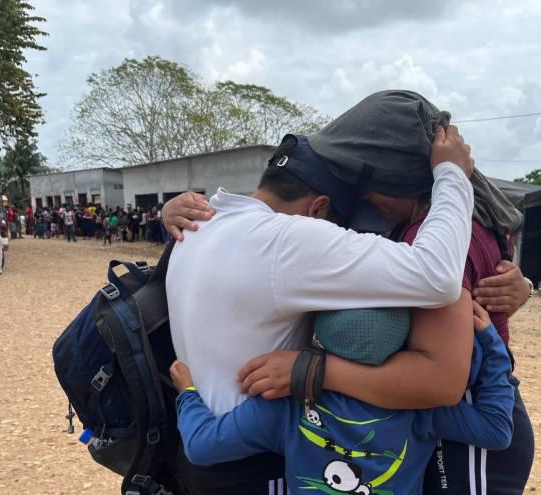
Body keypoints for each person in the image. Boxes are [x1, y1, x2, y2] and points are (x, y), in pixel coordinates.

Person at [166, 129, 476, 494]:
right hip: (255, 466)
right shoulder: (290, 238)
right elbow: (437, 275)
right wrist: (453, 175)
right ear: (318, 209)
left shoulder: (202, 222)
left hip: (202, 443)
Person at [169, 302, 514, 495]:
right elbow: (497, 430)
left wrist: (188, 394)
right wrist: (489, 342)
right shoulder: (417, 407)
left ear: (316, 336)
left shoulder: (288, 405)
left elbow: (202, 446)